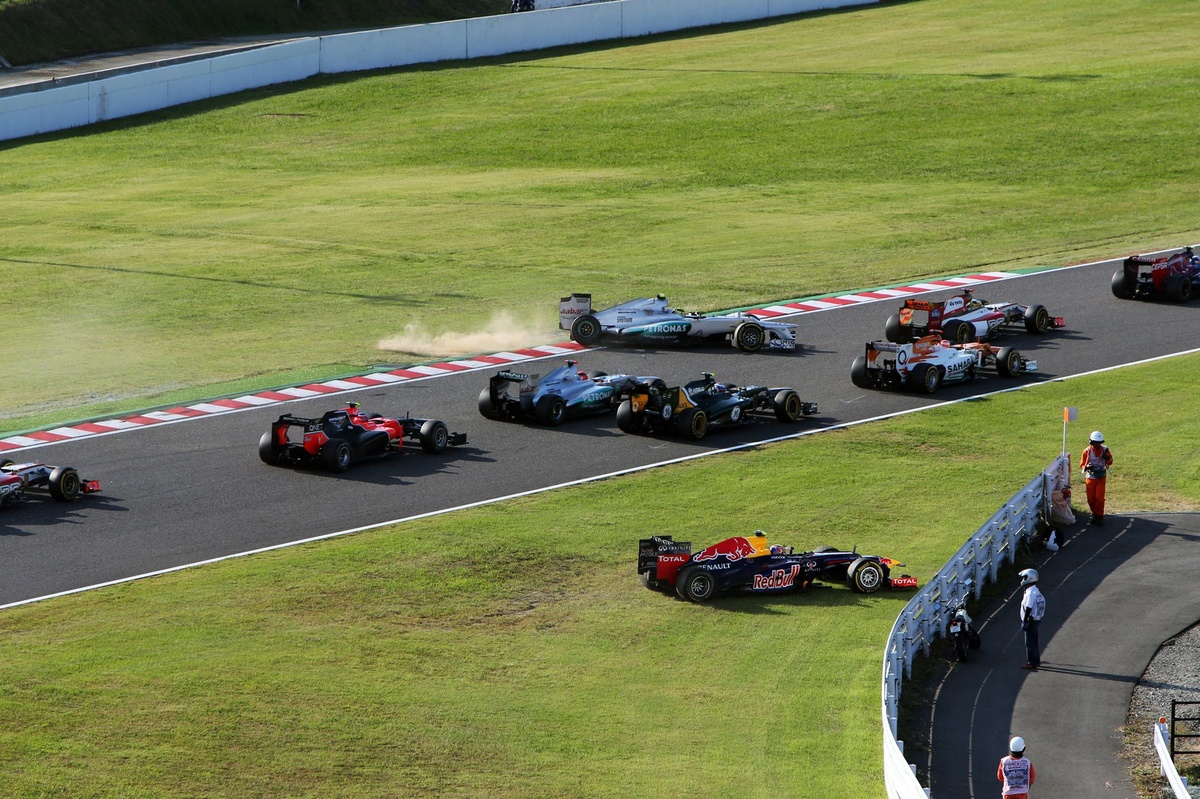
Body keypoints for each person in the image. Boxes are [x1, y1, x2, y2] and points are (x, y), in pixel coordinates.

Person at [1078, 430, 1114, 526]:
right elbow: (1082, 465)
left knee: (1099, 498)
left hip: (1101, 478)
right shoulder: (1087, 451)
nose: (1098, 445)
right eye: (1096, 443)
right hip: (1090, 478)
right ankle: (1094, 513)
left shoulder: (1105, 450)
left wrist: (1106, 457)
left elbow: (1110, 461)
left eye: (1100, 443)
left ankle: (1099, 515)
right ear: (1091, 442)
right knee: (1091, 499)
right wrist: (1087, 467)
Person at [1018, 569, 1045, 670]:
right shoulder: (1035, 590)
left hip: (1030, 620)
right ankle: (1036, 660)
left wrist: (1025, 621)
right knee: (1034, 641)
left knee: (1029, 643)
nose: (1022, 580)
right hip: (1036, 620)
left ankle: (1031, 662)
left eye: (1024, 578)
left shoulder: (1030, 593)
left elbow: (1028, 608)